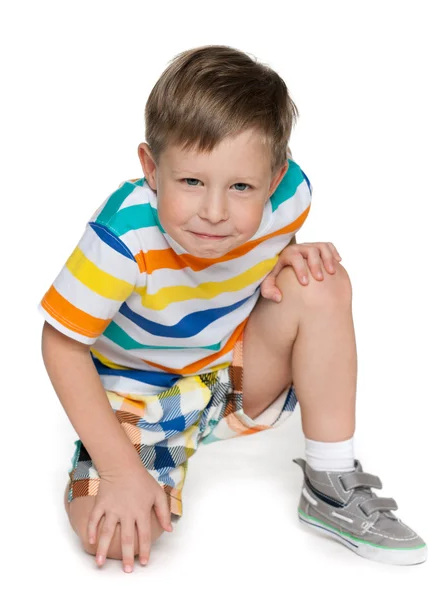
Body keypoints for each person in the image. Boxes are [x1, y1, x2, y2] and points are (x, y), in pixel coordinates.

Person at [39, 44, 427, 573]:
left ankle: (330, 482)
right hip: (137, 399)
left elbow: (269, 240)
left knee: (321, 280)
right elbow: (61, 342)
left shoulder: (291, 195)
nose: (215, 213)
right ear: (151, 168)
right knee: (109, 536)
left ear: (273, 178)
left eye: (242, 187)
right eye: (192, 182)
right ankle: (124, 460)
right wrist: (119, 471)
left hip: (231, 378)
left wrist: (281, 258)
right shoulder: (122, 235)